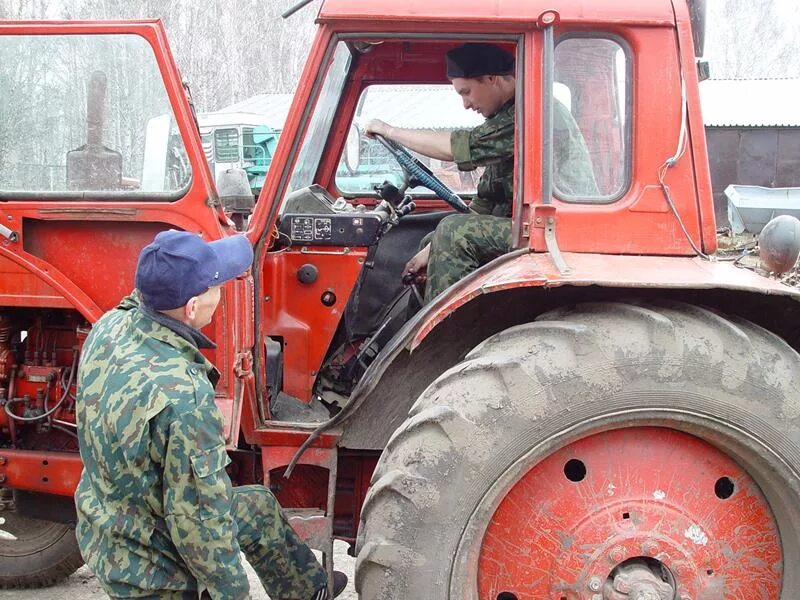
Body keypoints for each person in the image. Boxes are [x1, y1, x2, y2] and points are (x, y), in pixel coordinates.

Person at [74, 230, 347, 600]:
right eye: (216, 286)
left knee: (258, 507)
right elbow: (200, 522)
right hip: (153, 573)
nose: (221, 294)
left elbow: (137, 297)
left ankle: (310, 590)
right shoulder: (184, 398)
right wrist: (233, 593)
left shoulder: (109, 328)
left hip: (108, 526)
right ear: (190, 308)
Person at [366, 42, 597, 301]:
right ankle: (416, 334)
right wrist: (430, 249)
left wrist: (389, 131)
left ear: (491, 79)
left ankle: (447, 338)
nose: (466, 104)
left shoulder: (530, 113)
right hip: (533, 227)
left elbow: (458, 148)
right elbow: (486, 201)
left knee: (454, 232)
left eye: (467, 92)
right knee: (434, 239)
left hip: (559, 231)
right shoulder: (507, 116)